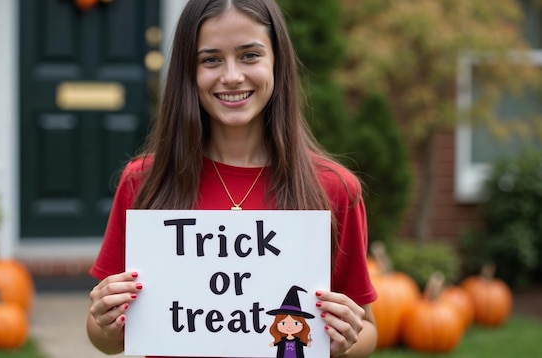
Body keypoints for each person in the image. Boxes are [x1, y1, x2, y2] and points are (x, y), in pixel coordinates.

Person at [86, 0, 378, 357]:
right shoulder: (144, 181)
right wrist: (103, 321)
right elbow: (107, 340)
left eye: (250, 55)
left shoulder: (333, 189)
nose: (232, 76)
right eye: (211, 59)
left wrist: (342, 339)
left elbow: (366, 331)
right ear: (188, 72)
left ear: (277, 62)